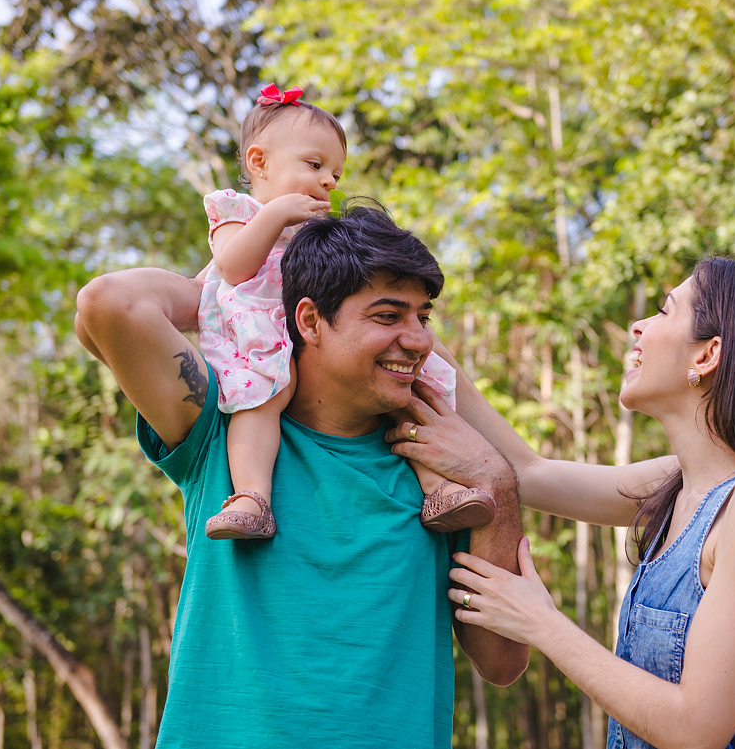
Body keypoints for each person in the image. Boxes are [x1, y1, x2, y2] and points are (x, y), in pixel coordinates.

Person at [73, 201, 528, 747]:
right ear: (309, 320)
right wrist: (242, 284)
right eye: (388, 316)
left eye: (422, 317)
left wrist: (496, 483)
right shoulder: (221, 432)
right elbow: (109, 303)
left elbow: (503, 662)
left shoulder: (442, 472)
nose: (420, 340)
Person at [389, 256, 735, 749]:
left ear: (706, 356)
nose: (638, 325)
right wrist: (420, 336)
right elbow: (529, 472)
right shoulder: (675, 483)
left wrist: (542, 622)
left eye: (663, 310)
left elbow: (695, 730)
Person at [196, 84, 496, 540]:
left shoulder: (318, 227)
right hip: (261, 331)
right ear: (259, 163)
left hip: (321, 336)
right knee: (263, 397)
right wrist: (275, 215)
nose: (329, 181)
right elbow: (234, 267)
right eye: (314, 165)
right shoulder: (239, 211)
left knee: (411, 395)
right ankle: (251, 497)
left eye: (336, 172)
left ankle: (439, 488)